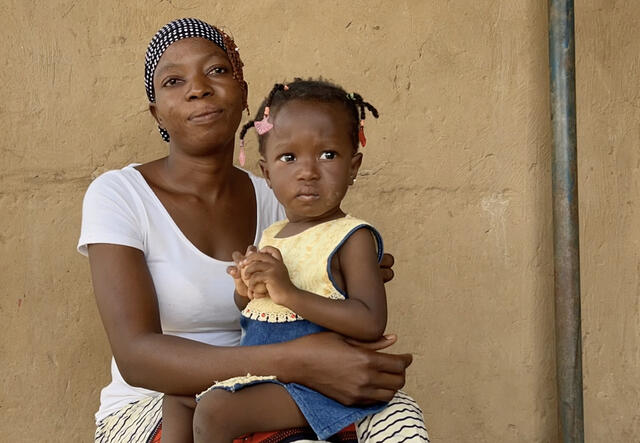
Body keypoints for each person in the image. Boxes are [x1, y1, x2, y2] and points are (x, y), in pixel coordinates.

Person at [78, 18, 428, 443]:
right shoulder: (120, 195)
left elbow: (330, 287)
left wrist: (348, 272)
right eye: (173, 81)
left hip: (273, 390)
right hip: (156, 402)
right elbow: (137, 358)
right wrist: (302, 362)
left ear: (244, 93)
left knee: (397, 418)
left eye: (217, 71)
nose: (198, 88)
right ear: (157, 113)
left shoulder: (282, 199)